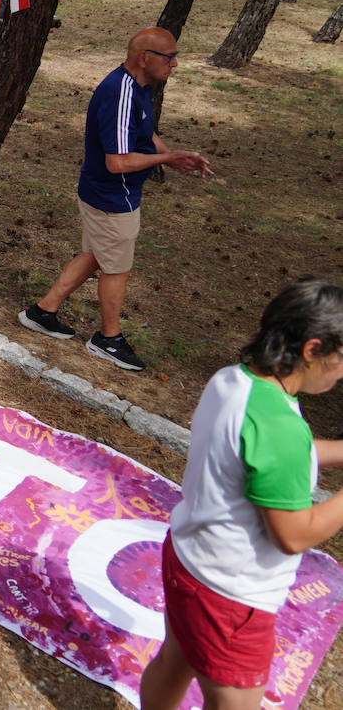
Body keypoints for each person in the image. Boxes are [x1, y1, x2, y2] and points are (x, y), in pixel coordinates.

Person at [139, 277, 343, 710]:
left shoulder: (234, 382)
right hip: (229, 598)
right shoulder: (281, 429)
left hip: (187, 558)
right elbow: (293, 535)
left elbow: (263, 454)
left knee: (174, 660)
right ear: (313, 349)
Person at [17, 27, 213, 371]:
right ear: (145, 57)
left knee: (94, 255)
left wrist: (172, 155)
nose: (176, 64)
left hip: (104, 193)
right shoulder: (120, 92)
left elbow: (142, 132)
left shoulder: (138, 88)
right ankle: (108, 339)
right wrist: (166, 159)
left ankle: (42, 311)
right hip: (112, 197)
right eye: (170, 57)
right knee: (117, 269)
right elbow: (117, 161)